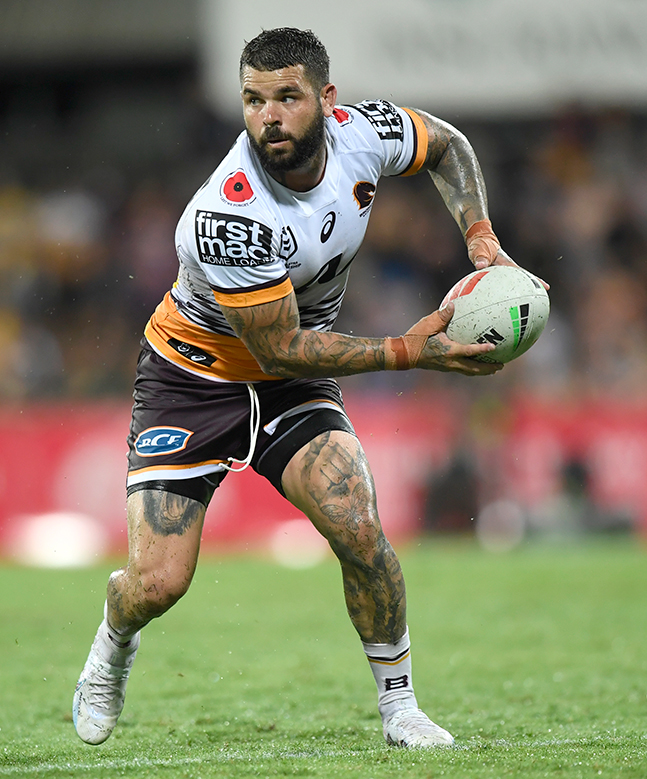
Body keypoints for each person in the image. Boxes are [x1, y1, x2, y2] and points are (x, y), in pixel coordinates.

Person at [73, 26, 528, 749]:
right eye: (253, 100)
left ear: (326, 99)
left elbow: (447, 143)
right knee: (158, 582)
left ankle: (400, 707)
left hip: (291, 383)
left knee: (358, 527)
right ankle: (114, 639)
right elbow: (282, 346)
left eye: (286, 97)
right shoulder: (227, 215)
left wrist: (479, 235)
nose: (268, 117)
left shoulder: (365, 133)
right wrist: (416, 350)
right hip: (195, 377)